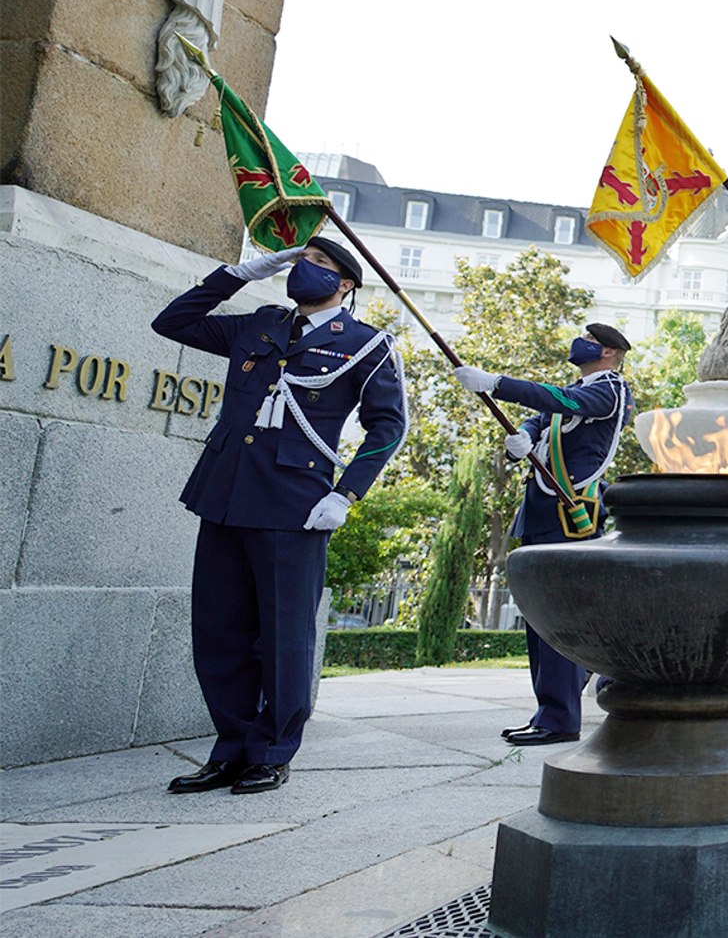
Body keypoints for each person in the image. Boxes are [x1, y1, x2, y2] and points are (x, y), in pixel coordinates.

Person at [152, 236, 408, 795]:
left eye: (318, 265)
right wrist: (240, 272)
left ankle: (271, 750)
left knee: (283, 636)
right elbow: (171, 322)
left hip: (294, 504)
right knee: (219, 632)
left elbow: (389, 426)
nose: (303, 270)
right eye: (300, 261)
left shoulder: (365, 345)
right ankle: (231, 750)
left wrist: (346, 495)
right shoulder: (261, 323)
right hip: (225, 493)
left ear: (345, 285)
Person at [456, 323, 633, 747]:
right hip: (542, 509)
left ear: (609, 353)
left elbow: (561, 400)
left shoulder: (610, 390)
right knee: (539, 617)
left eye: (591, 341)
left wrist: (497, 384)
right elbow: (542, 416)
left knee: (558, 616)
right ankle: (550, 709)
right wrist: (526, 437)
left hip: (572, 511)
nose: (581, 344)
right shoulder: (577, 388)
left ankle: (559, 717)